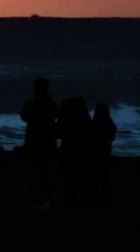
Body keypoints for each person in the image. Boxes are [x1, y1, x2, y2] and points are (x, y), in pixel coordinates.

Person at [20, 77, 58, 212]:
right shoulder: (52, 104)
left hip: (34, 141)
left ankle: (35, 201)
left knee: (34, 172)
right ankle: (46, 201)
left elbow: (24, 116)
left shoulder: (31, 104)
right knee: (46, 172)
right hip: (48, 141)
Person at [57, 97, 92, 210]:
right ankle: (83, 202)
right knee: (82, 177)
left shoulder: (66, 119)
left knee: (69, 177)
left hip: (68, 149)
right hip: (83, 150)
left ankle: (70, 202)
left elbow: (58, 132)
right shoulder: (85, 120)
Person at [90, 103, 117, 206]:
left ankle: (94, 200)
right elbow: (112, 134)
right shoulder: (110, 123)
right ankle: (106, 201)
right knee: (105, 178)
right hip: (105, 152)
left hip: (94, 154)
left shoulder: (93, 123)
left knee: (94, 178)